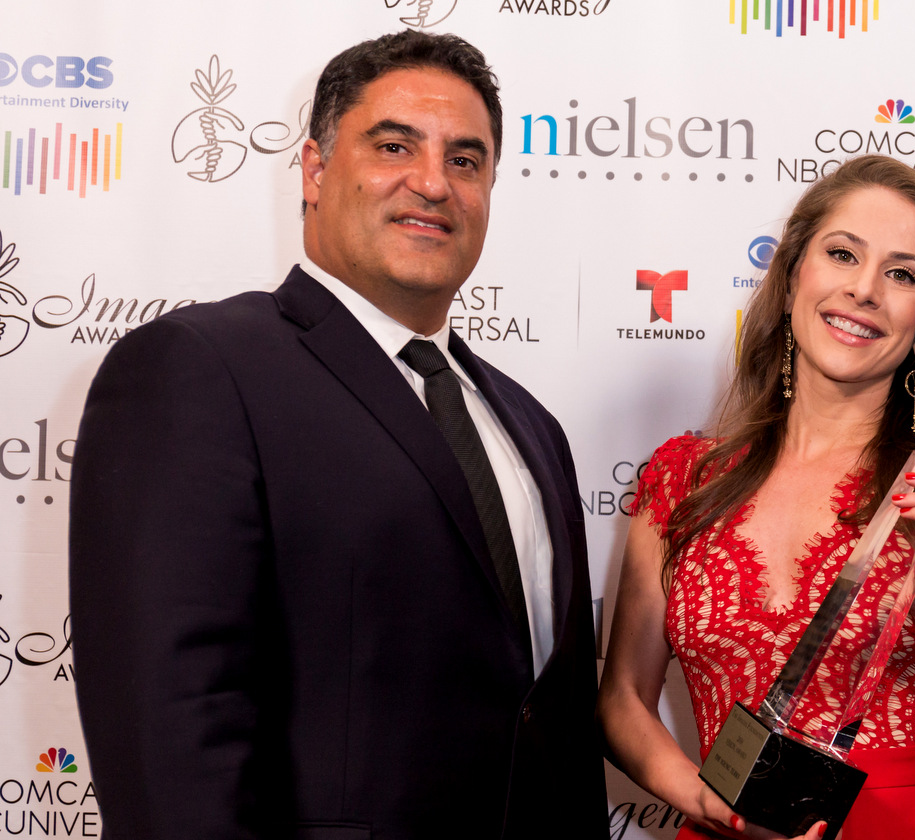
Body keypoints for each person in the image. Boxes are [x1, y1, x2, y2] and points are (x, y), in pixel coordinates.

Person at [69, 31, 607, 839]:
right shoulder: (199, 369)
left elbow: (554, 722)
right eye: (394, 145)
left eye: (466, 160)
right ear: (316, 169)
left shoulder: (532, 425)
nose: (432, 183)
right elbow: (168, 730)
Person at [599, 155, 915, 840]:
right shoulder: (683, 481)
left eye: (902, 274)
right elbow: (623, 696)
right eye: (842, 254)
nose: (864, 290)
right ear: (795, 273)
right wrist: (705, 799)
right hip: (719, 827)